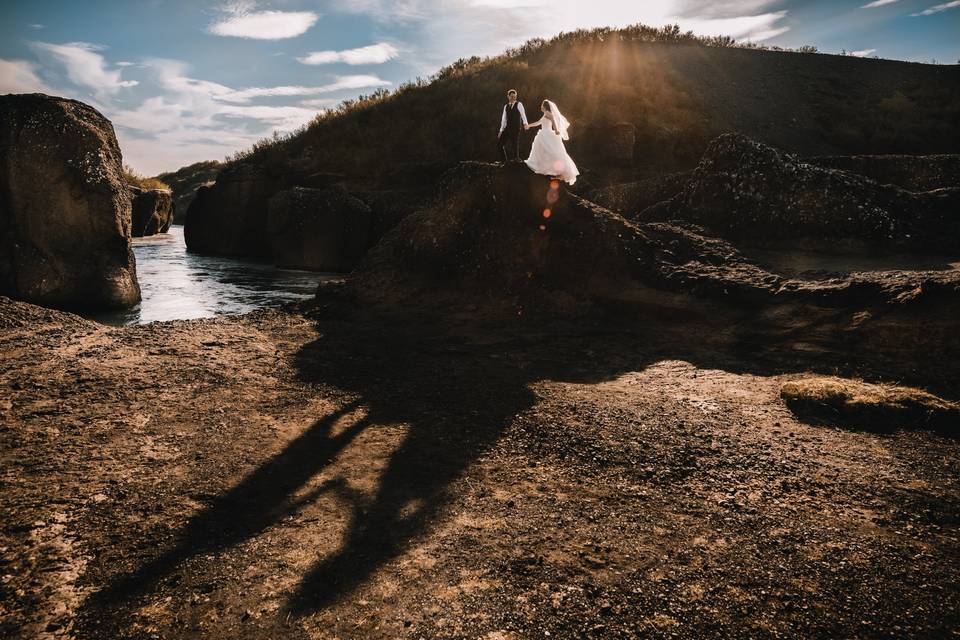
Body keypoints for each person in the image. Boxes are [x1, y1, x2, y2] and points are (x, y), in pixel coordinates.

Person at [524, 99, 579, 185]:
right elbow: (538, 123)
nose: (541, 106)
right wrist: (529, 126)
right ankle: (547, 169)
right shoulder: (545, 114)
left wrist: (556, 130)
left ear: (544, 106)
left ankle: (558, 172)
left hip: (547, 134)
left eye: (542, 105)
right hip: (544, 133)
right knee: (545, 152)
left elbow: (553, 121)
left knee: (553, 153)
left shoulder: (548, 113)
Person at [498, 89, 528, 162]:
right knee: (499, 145)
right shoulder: (506, 106)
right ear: (508, 96)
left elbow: (523, 114)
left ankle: (516, 159)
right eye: (511, 96)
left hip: (516, 128)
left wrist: (525, 123)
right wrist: (501, 130)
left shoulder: (519, 104)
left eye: (514, 96)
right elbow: (504, 119)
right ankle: (503, 161)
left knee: (514, 144)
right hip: (507, 128)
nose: (513, 98)